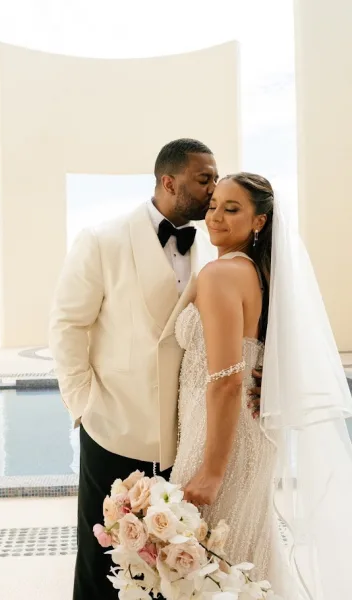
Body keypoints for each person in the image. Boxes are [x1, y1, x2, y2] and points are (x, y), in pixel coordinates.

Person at [50, 139, 225, 600]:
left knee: (171, 561)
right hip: (114, 426)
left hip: (184, 435)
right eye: (204, 178)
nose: (214, 189)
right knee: (102, 557)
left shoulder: (210, 248)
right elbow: (68, 324)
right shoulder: (101, 240)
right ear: (169, 182)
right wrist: (83, 404)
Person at [170, 172, 352, 600]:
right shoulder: (262, 275)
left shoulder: (220, 274)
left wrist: (212, 471)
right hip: (249, 437)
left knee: (210, 569)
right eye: (213, 205)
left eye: (232, 209)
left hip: (218, 440)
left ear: (260, 222)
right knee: (243, 563)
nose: (215, 216)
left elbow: (227, 380)